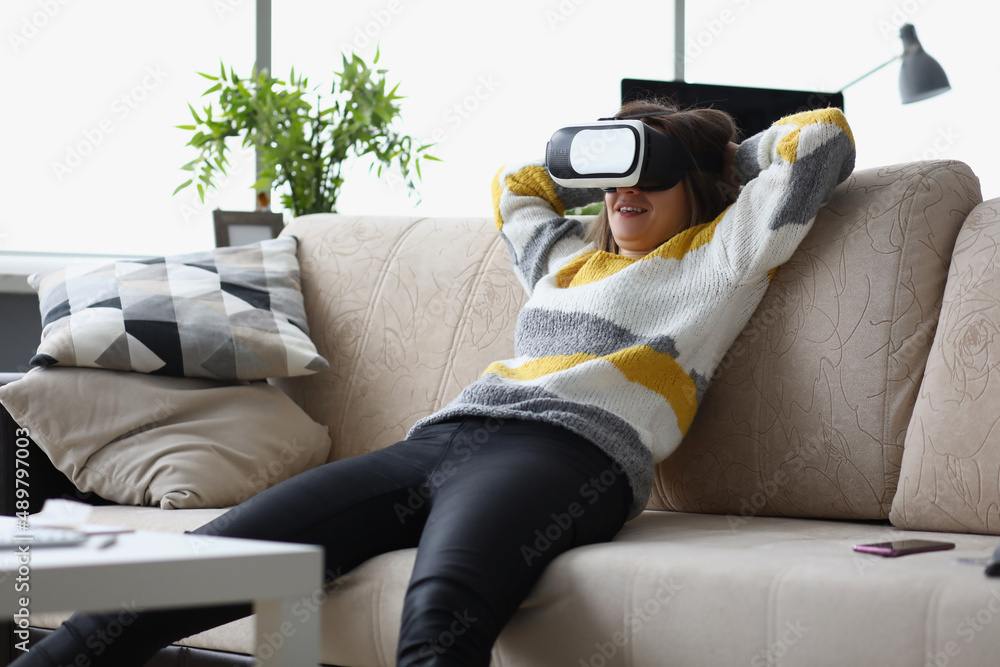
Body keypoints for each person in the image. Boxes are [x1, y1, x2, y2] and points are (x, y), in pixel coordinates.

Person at [13, 99, 855, 667]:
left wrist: (699, 146)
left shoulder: (722, 259)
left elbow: (822, 141)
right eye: (613, 172)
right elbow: (514, 187)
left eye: (651, 172)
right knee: (202, 566)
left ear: (696, 187)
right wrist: (601, 154)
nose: (627, 187)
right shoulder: (565, 256)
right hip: (446, 435)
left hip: (569, 457)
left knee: (440, 617)